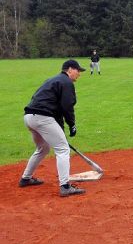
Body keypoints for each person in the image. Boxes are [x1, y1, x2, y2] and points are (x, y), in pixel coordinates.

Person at [19, 59, 87, 196]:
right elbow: (66, 107)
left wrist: (61, 130)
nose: (79, 73)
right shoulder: (66, 82)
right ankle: (65, 186)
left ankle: (25, 178)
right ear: (69, 70)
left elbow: (57, 110)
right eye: (77, 70)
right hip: (43, 118)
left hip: (29, 117)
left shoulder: (52, 80)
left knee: (43, 148)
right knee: (63, 149)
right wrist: (72, 124)